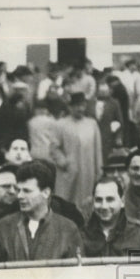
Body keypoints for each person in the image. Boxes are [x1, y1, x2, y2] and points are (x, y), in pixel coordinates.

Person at [0, 160, 83, 262]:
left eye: (27, 191)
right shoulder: (5, 226)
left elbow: (78, 273)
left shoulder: (68, 229)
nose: (19, 196)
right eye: (19, 190)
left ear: (46, 193)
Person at [81, 177, 140, 258]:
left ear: (122, 201)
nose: (104, 206)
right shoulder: (81, 235)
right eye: (98, 200)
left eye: (110, 199)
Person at [54, 92, 103, 220]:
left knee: (86, 201)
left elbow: (98, 149)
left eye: (82, 105)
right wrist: (63, 162)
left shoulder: (92, 124)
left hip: (88, 171)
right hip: (68, 172)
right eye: (76, 106)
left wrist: (99, 171)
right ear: (70, 107)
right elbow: (54, 148)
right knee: (66, 203)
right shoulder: (61, 124)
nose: (80, 109)